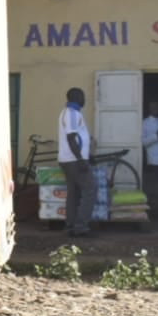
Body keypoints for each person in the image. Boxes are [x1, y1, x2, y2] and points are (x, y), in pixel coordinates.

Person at [58, 87, 95, 237]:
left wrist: (87, 155)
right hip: (74, 160)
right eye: (82, 96)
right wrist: (80, 159)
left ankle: (71, 225)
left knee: (73, 193)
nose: (84, 99)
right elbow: (71, 138)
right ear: (76, 98)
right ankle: (81, 226)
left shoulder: (68, 112)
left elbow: (77, 138)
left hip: (69, 159)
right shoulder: (72, 113)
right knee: (90, 189)